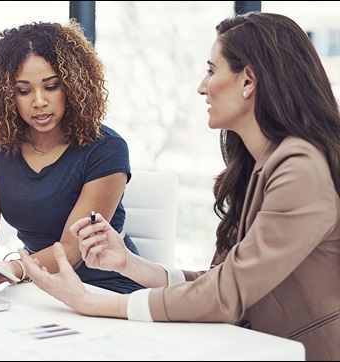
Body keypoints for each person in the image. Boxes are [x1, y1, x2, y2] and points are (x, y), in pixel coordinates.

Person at [19, 12, 340, 361]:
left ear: (248, 81)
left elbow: (226, 294)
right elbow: (223, 278)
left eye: (211, 71)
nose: (203, 86)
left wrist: (94, 302)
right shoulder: (263, 162)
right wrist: (129, 264)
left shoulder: (300, 169)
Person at [0, 20, 144, 294]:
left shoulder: (107, 148)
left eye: (51, 86)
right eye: (24, 90)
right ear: (7, 95)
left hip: (103, 288)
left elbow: (72, 249)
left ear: (73, 86)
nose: (39, 101)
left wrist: (14, 270)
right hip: (36, 286)